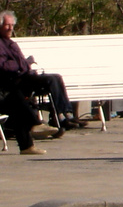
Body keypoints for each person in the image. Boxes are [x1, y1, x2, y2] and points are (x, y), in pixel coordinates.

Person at [0, 10, 81, 154]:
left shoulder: (11, 43)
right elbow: (3, 66)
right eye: (7, 25)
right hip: (7, 83)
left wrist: (25, 63)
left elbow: (21, 64)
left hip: (19, 80)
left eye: (12, 25)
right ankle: (35, 125)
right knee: (17, 102)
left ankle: (63, 115)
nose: (10, 28)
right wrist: (21, 64)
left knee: (53, 78)